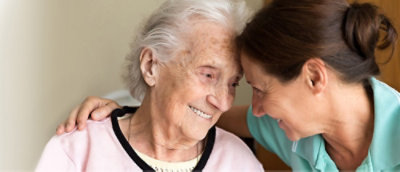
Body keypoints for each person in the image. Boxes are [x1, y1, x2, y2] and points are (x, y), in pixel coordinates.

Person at [57, 0, 400, 171]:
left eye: (259, 89)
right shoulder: (284, 128)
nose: (255, 107)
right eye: (209, 75)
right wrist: (123, 115)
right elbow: (201, 112)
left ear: (314, 78)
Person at [36, 0, 264, 171]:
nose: (223, 102)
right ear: (150, 66)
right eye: (207, 75)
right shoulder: (77, 151)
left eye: (233, 83)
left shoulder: (240, 163)